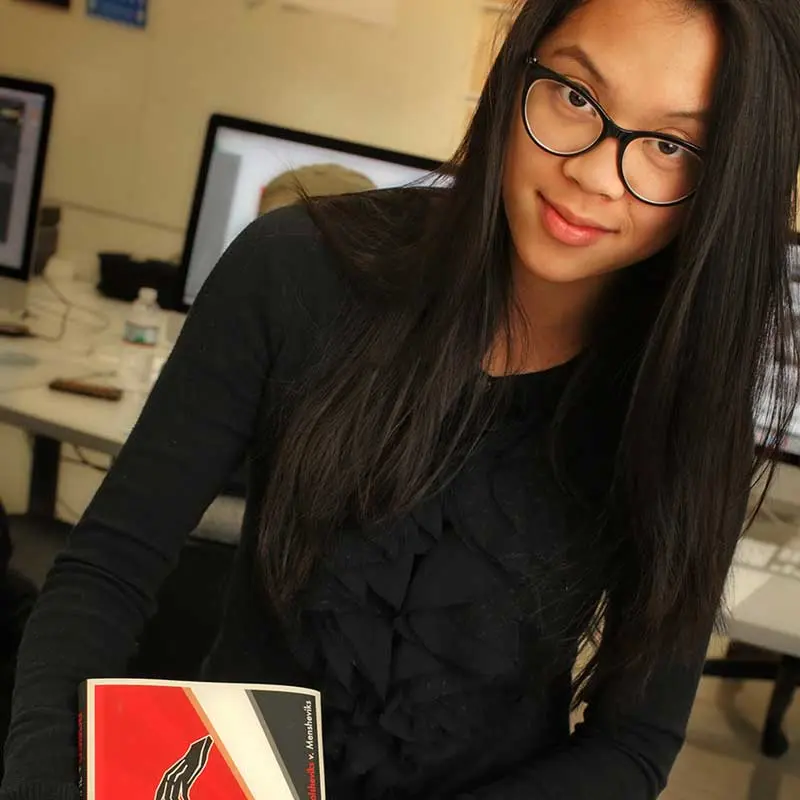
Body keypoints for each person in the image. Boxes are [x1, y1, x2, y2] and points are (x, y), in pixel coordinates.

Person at [2, 0, 800, 797]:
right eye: (576, 96)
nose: (593, 173)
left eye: (669, 144)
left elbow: (634, 745)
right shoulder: (294, 271)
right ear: (518, 69)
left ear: (724, 177)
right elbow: (107, 569)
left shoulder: (687, 410)